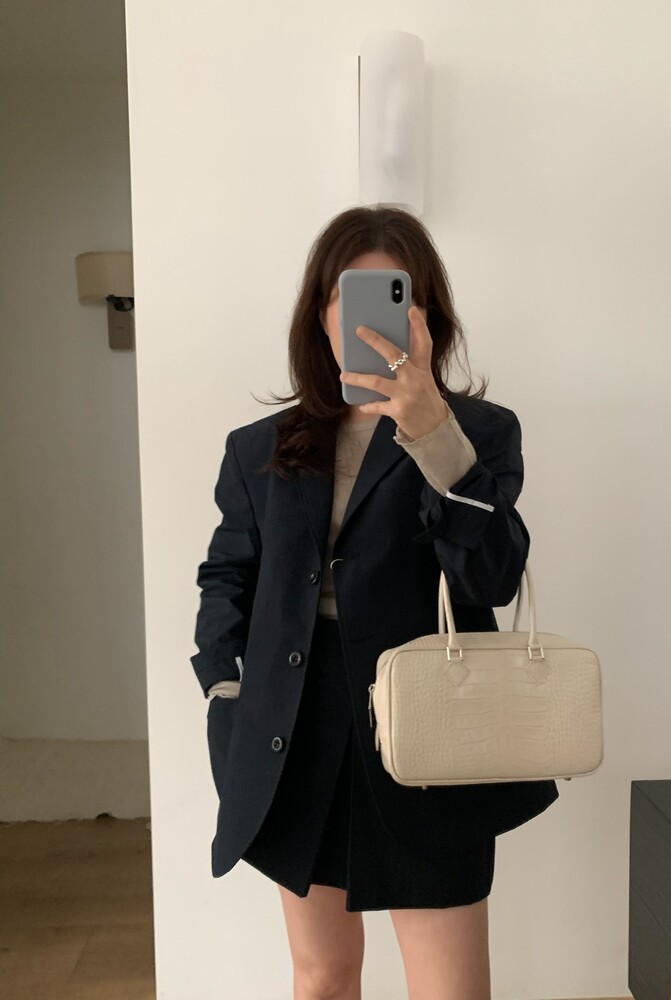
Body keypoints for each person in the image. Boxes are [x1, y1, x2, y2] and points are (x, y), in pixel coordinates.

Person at [191, 205, 559, 1000]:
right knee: (322, 976)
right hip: (294, 732)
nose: (370, 320)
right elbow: (226, 577)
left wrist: (433, 435)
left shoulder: (480, 433)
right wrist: (223, 685)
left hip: (432, 726)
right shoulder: (260, 449)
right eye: (349, 297)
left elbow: (493, 578)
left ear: (426, 317)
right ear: (320, 315)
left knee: (449, 988)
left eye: (397, 297)